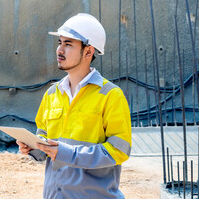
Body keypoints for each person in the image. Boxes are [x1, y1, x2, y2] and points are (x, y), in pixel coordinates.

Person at [17, 13, 131, 199]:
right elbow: (45, 138)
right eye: (59, 43)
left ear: (88, 52)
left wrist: (66, 153)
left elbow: (119, 151)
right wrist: (34, 148)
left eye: (68, 44)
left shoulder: (110, 95)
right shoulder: (52, 94)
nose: (59, 50)